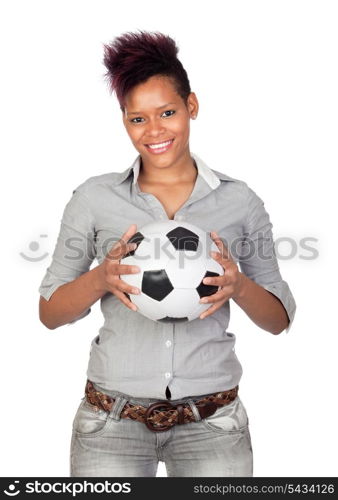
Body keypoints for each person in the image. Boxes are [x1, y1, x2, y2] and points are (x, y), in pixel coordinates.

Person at [38, 29, 296, 477]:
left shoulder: (241, 201)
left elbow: (279, 321)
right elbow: (49, 313)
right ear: (124, 121)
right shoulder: (94, 198)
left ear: (191, 107)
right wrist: (101, 278)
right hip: (110, 423)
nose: (154, 131)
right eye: (137, 119)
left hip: (213, 425)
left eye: (168, 112)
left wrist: (238, 285)